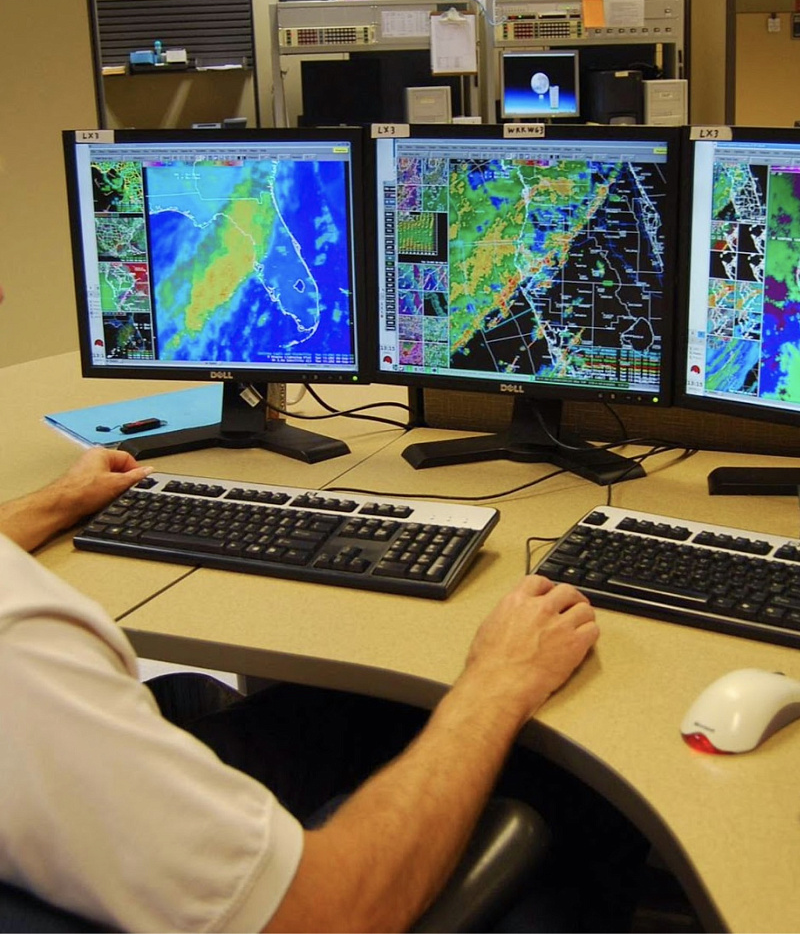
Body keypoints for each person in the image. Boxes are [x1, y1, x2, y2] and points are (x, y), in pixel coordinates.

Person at [0, 285, 623, 933]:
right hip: (314, 906)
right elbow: (328, 911)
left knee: (348, 711)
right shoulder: (21, 645)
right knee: (567, 787)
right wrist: (497, 680)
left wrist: (55, 501)